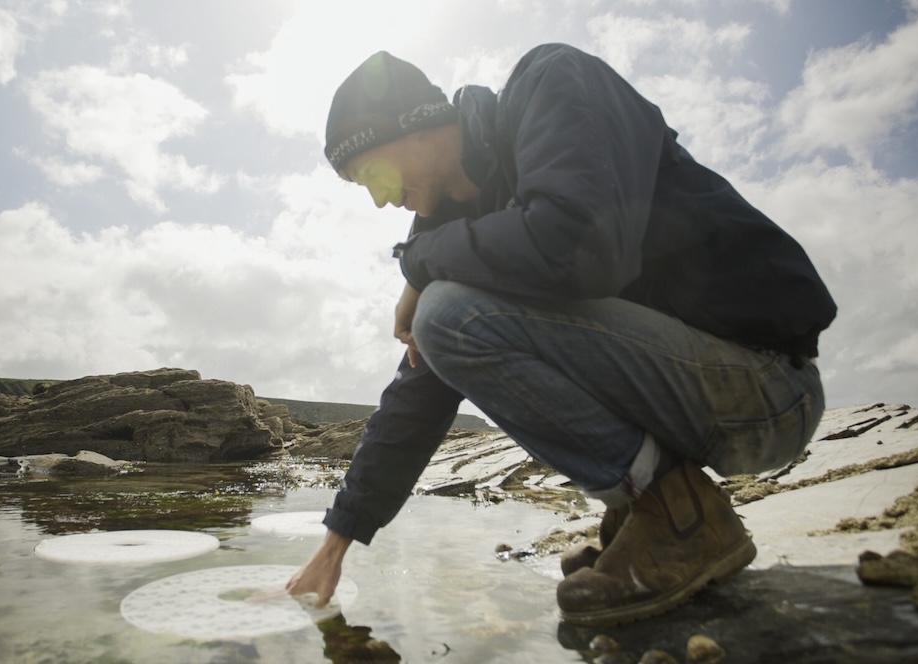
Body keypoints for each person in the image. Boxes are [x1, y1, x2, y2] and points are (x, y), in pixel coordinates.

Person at [286, 43, 836, 626]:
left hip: (765, 386)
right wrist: (336, 543)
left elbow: (578, 246)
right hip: (688, 397)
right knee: (442, 322)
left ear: (416, 125)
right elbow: (418, 389)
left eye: (371, 172)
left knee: (447, 314)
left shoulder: (553, 83)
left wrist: (422, 263)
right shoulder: (449, 230)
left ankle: (677, 515)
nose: (379, 199)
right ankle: (651, 511)